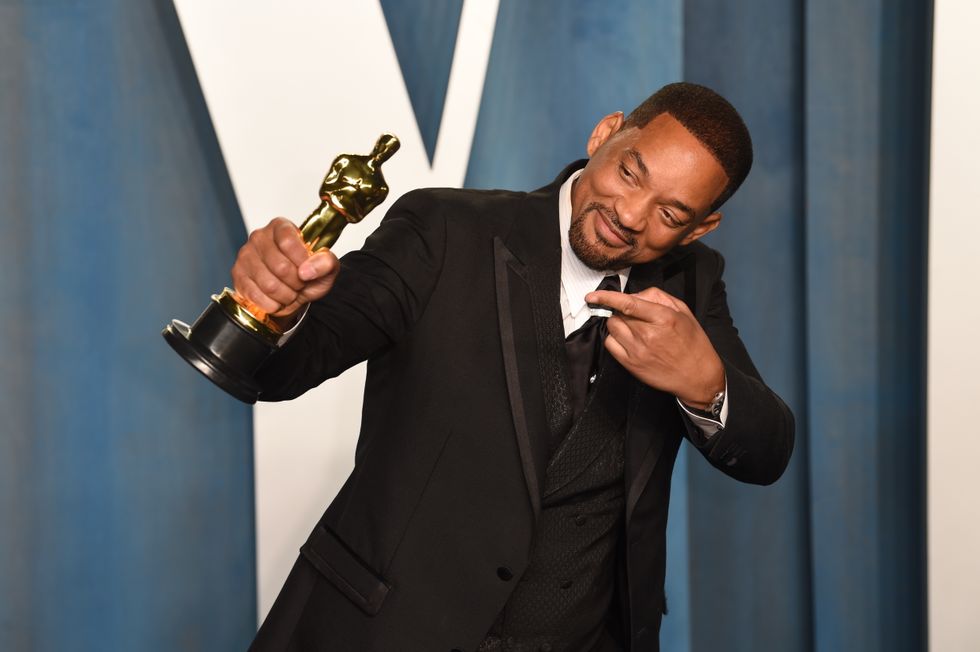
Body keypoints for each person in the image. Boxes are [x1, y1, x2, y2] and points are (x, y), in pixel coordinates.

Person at [239, 82, 794, 652]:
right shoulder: (444, 229)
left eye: (671, 213)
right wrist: (271, 314)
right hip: (383, 631)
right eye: (631, 173)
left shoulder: (693, 282)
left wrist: (705, 382)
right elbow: (279, 371)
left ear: (699, 228)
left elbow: (767, 451)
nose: (630, 215)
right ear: (605, 134)